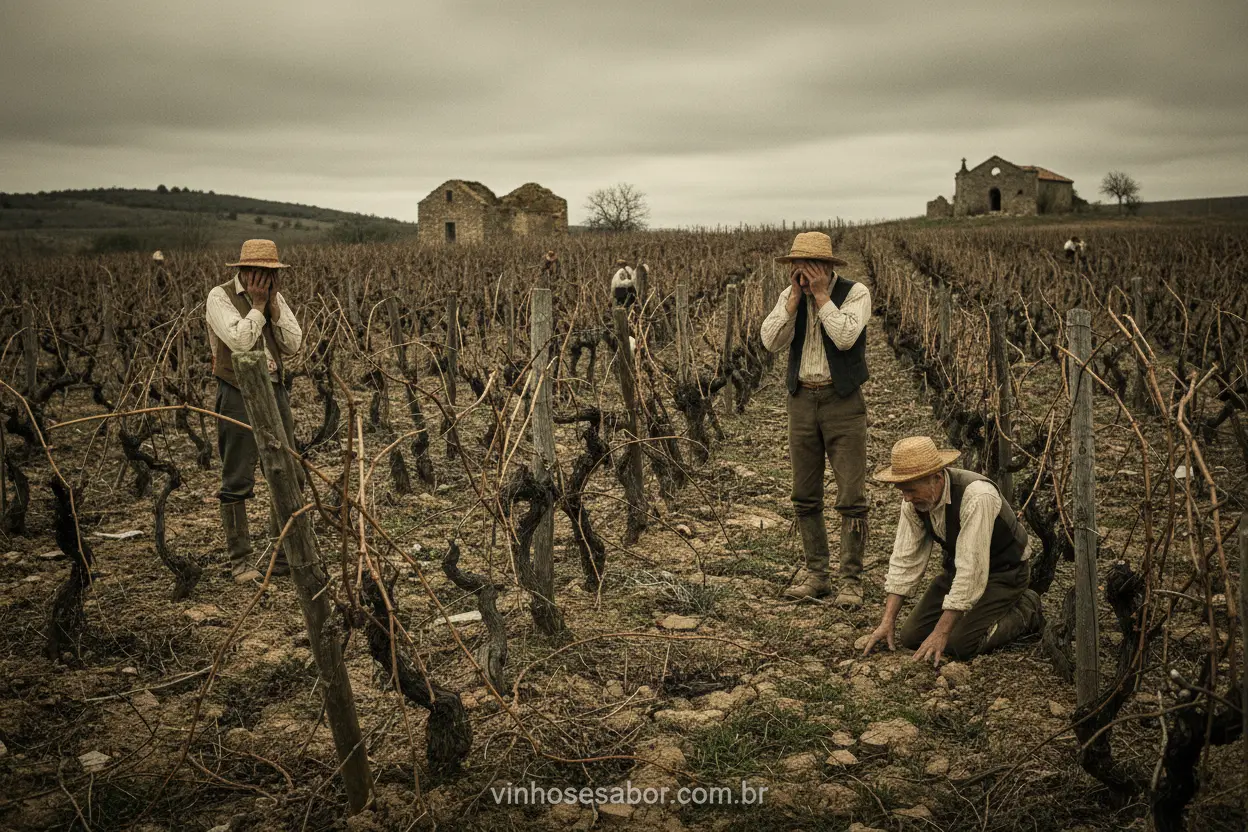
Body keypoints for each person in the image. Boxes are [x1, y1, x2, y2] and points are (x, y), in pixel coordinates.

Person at [760, 231, 872, 608]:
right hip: (802, 401)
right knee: (804, 495)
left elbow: (845, 338)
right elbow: (770, 341)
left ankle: (852, 582)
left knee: (851, 496)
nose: (803, 273)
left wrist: (822, 297)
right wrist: (793, 301)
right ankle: (817, 576)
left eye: (809, 266)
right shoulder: (790, 297)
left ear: (826, 267)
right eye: (797, 266)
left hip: (843, 400)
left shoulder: (855, 294)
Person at [862, 436, 1043, 665]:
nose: (906, 497)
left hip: (1004, 574)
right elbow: (905, 560)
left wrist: (942, 631)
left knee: (959, 645)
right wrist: (887, 621)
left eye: (910, 489)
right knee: (911, 637)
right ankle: (971, 615)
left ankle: (1028, 608)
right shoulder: (913, 503)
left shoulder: (977, 496)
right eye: (901, 490)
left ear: (936, 478)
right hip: (958, 572)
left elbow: (972, 569)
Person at [205, 239, 303, 583]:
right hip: (237, 391)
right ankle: (241, 560)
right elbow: (242, 342)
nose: (264, 279)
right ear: (243, 271)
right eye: (258, 272)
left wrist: (272, 306)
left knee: (288, 469)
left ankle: (284, 557)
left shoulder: (274, 298)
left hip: (274, 390)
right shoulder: (219, 297)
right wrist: (258, 307)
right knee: (237, 477)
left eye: (270, 273)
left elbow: (293, 344)